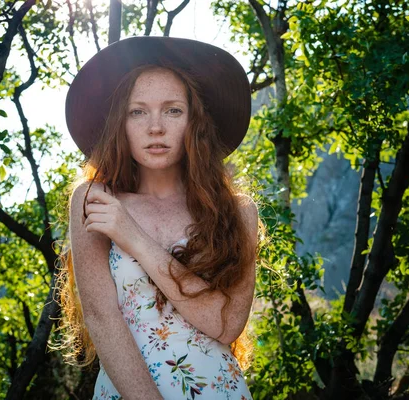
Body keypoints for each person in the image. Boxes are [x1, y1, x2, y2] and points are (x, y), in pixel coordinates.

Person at [56, 36, 259, 400]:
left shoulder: (238, 213)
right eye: (137, 111)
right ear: (120, 123)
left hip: (220, 389)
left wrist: (132, 236)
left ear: (195, 122)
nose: (155, 127)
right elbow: (101, 319)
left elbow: (225, 326)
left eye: (173, 110)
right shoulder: (94, 200)